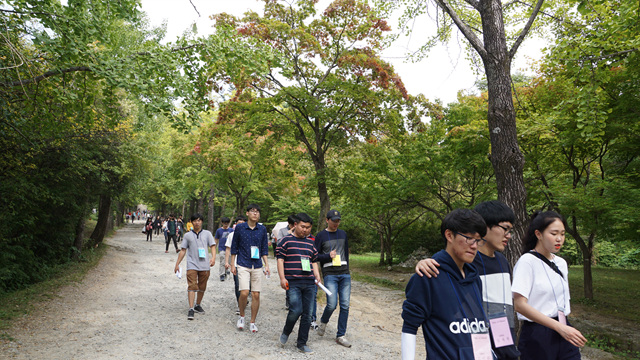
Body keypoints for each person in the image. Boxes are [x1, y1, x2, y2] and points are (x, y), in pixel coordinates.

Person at [415, 200, 520, 359]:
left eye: (511, 230)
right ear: (485, 227)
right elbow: (443, 264)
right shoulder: (467, 262)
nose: (509, 235)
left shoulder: (502, 261)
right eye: (505, 228)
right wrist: (422, 263)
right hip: (476, 348)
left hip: (505, 346)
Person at [401, 209, 490, 360]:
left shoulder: (474, 278)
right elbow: (410, 327)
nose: (475, 246)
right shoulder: (428, 275)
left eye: (478, 240)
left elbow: (477, 327)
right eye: (469, 238)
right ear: (449, 235)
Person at [512, 211, 587, 359]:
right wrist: (558, 327)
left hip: (563, 327)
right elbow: (519, 305)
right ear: (538, 234)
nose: (559, 239)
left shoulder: (561, 263)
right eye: (554, 233)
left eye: (563, 234)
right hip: (538, 334)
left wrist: (563, 327)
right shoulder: (527, 262)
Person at [276, 212, 321, 354]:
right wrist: (282, 278)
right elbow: (280, 260)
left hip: (309, 282)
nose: (305, 230)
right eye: (303, 226)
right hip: (293, 282)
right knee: (295, 310)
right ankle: (286, 332)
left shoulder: (310, 242)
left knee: (308, 314)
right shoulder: (285, 240)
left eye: (308, 227)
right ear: (295, 225)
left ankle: (302, 343)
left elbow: (314, 260)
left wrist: (317, 275)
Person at [230, 204, 271, 332]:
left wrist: (267, 265)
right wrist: (232, 264)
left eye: (257, 212)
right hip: (242, 263)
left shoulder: (262, 229)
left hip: (257, 265)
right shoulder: (240, 228)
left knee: (256, 294)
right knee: (244, 292)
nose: (255, 214)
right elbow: (234, 246)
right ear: (247, 213)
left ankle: (252, 321)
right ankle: (242, 316)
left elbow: (264, 248)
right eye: (253, 211)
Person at [314, 209, 352, 348]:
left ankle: (341, 335)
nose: (336, 223)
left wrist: (347, 268)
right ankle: (323, 321)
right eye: (333, 220)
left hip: (344, 273)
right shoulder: (321, 236)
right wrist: (327, 256)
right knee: (331, 304)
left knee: (345, 305)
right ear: (327, 220)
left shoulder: (343, 234)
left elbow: (346, 252)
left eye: (338, 221)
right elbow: (315, 256)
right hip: (329, 273)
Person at [173, 213, 217, 320]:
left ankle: (198, 304)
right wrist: (177, 264)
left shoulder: (207, 234)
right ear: (191, 222)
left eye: (199, 220)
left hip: (205, 265)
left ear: (202, 221)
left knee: (202, 286)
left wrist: (213, 258)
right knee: (192, 285)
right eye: (195, 220)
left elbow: (212, 246)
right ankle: (191, 308)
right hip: (192, 264)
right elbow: (183, 250)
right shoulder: (187, 235)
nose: (197, 222)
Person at [225, 215, 247, 315]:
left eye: (243, 223)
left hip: (249, 264)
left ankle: (244, 299)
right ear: (235, 225)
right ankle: (240, 305)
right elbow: (228, 249)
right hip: (236, 264)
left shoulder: (251, 234)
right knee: (238, 285)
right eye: (239, 223)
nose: (241, 225)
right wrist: (227, 262)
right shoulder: (231, 235)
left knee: (247, 287)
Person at [215, 217, 233, 281]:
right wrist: (214, 247)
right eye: (224, 223)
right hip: (222, 248)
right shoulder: (219, 230)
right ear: (222, 223)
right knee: (222, 261)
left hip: (230, 248)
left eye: (227, 223)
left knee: (229, 261)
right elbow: (216, 239)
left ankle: (226, 271)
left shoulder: (231, 230)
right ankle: (222, 274)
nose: (226, 224)